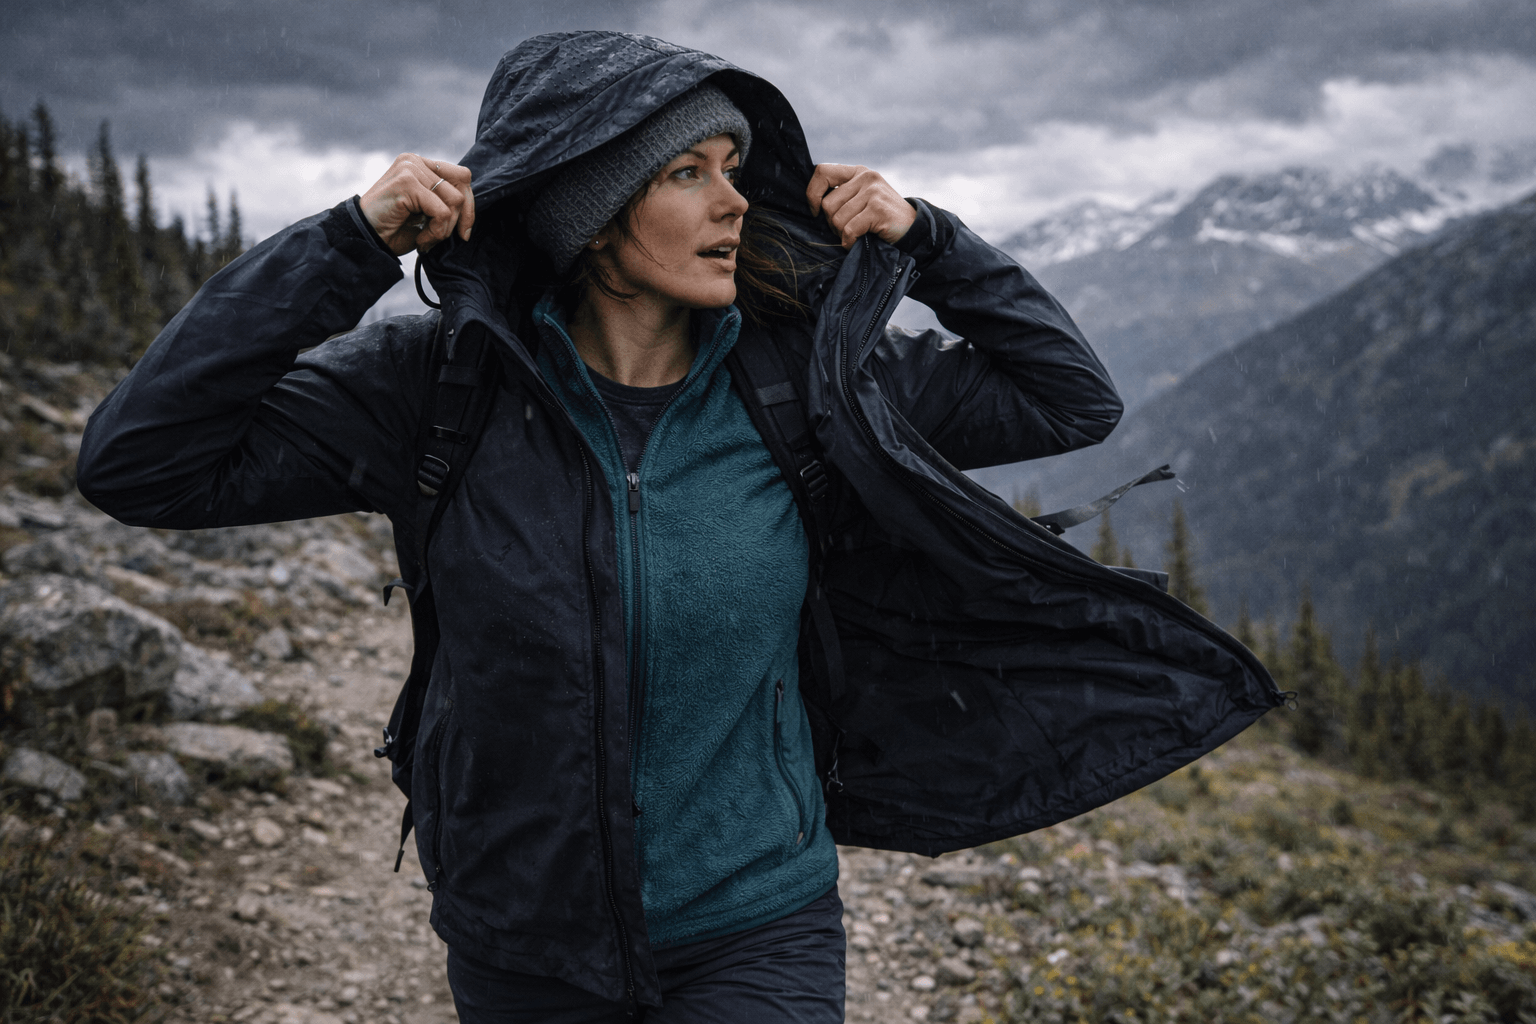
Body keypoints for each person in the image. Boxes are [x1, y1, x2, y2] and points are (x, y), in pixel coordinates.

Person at [78, 30, 1281, 1023]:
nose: (738, 202)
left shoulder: (807, 376)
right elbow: (140, 462)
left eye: (736, 166)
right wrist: (345, 243)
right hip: (523, 935)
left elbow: (1073, 397)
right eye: (689, 173)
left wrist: (930, 241)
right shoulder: (439, 388)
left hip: (758, 922)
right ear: (592, 216)